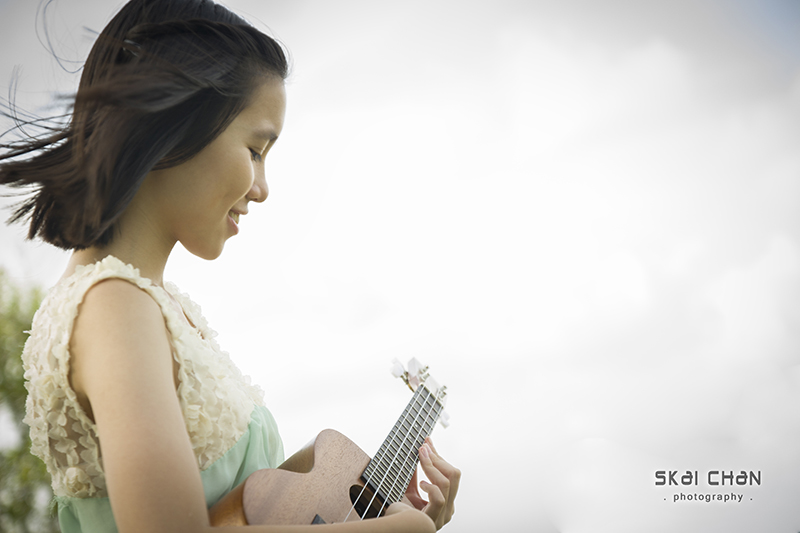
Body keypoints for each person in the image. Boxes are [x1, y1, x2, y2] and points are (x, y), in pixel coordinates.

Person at [0, 1, 460, 532]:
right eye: (256, 149)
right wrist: (406, 529)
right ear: (175, 125)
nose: (262, 189)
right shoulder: (113, 307)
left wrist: (361, 499)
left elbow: (235, 511)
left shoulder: (147, 303)